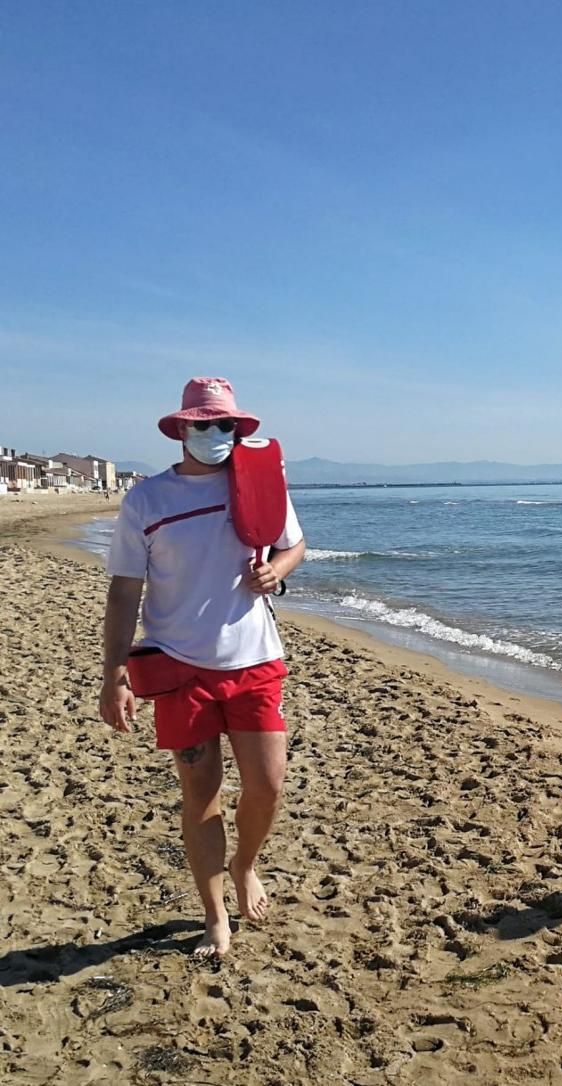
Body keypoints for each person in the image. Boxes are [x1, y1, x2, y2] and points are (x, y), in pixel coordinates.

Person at [97, 377, 306, 957]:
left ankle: (245, 865)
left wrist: (278, 570)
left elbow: (295, 544)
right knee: (201, 794)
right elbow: (124, 590)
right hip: (181, 668)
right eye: (203, 425)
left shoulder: (259, 483)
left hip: (256, 660)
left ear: (238, 430)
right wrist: (114, 675)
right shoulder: (147, 499)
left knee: (266, 787)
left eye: (226, 426)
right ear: (181, 429)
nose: (216, 435)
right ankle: (215, 914)